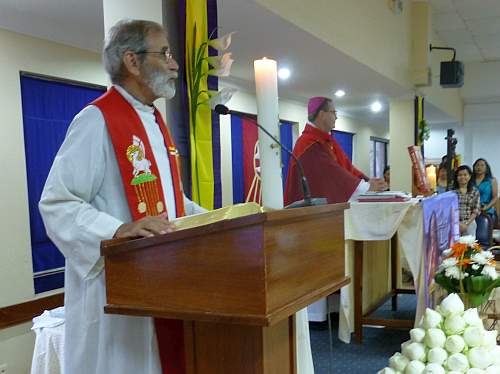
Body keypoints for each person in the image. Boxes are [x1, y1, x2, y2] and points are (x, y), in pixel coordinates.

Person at [39, 19, 205, 374]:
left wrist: (221, 218)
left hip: (165, 281)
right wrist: (116, 229)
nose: (174, 64)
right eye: (165, 53)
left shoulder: (155, 123)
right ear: (132, 61)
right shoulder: (97, 120)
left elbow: (172, 202)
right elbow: (57, 202)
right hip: (117, 290)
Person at [284, 96, 387, 205]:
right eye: (333, 112)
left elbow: (347, 168)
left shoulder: (327, 140)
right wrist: (366, 187)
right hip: (310, 215)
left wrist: (368, 182)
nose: (336, 117)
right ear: (322, 114)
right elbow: (334, 174)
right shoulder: (308, 144)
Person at [453, 165, 480, 236]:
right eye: (460, 175)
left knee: (469, 246)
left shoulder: (475, 191)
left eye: (465, 175)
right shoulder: (451, 191)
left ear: (470, 176)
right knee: (454, 246)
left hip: (470, 223)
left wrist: (466, 224)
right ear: (456, 177)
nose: (462, 177)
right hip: (454, 223)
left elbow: (476, 210)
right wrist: (458, 223)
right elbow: (448, 209)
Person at [472, 158, 498, 224]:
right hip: (471, 210)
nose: (479, 167)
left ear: (486, 168)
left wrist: (487, 207)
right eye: (477, 165)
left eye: (482, 165)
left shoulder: (492, 180)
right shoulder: (470, 181)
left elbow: (495, 197)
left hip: (486, 210)